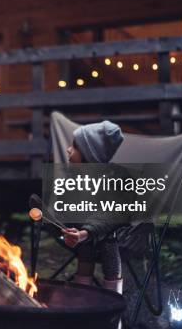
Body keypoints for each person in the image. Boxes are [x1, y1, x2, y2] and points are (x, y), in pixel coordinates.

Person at [62, 120, 125, 294]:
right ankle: (82, 296)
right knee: (86, 246)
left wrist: (85, 232)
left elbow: (113, 214)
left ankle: (113, 297)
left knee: (107, 241)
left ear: (89, 156)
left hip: (116, 232)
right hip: (84, 233)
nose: (68, 149)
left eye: (74, 147)